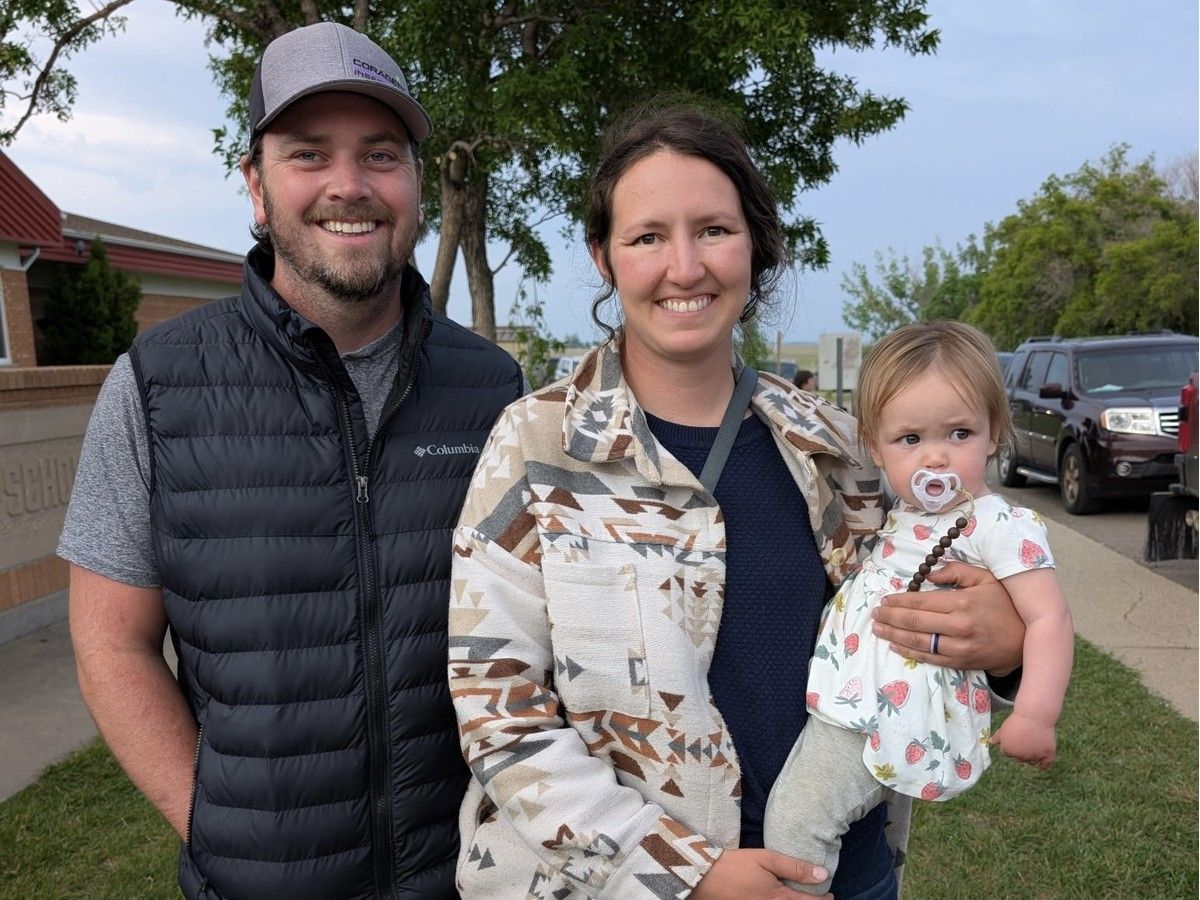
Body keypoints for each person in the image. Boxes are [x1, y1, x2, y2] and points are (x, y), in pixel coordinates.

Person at [447, 102, 1026, 899]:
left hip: (838, 870)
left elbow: (935, 598)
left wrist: (1008, 648)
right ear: (605, 257)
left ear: (755, 245)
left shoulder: (838, 451)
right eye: (648, 237)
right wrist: (691, 875)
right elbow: (497, 708)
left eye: (714, 230)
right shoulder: (536, 447)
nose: (685, 267)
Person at [59, 22, 522, 900]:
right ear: (256, 187)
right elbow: (109, 642)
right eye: (309, 154)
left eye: (381, 154)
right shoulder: (156, 388)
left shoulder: (493, 389)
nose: (349, 186)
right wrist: (217, 825)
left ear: (417, 184)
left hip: (470, 881)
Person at [764, 321, 1074, 895]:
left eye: (959, 433)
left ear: (994, 432)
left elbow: (1048, 617)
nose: (935, 456)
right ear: (875, 447)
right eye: (910, 440)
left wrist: (1034, 713)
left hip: (887, 711)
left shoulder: (999, 525)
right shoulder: (905, 512)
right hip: (858, 697)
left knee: (797, 821)